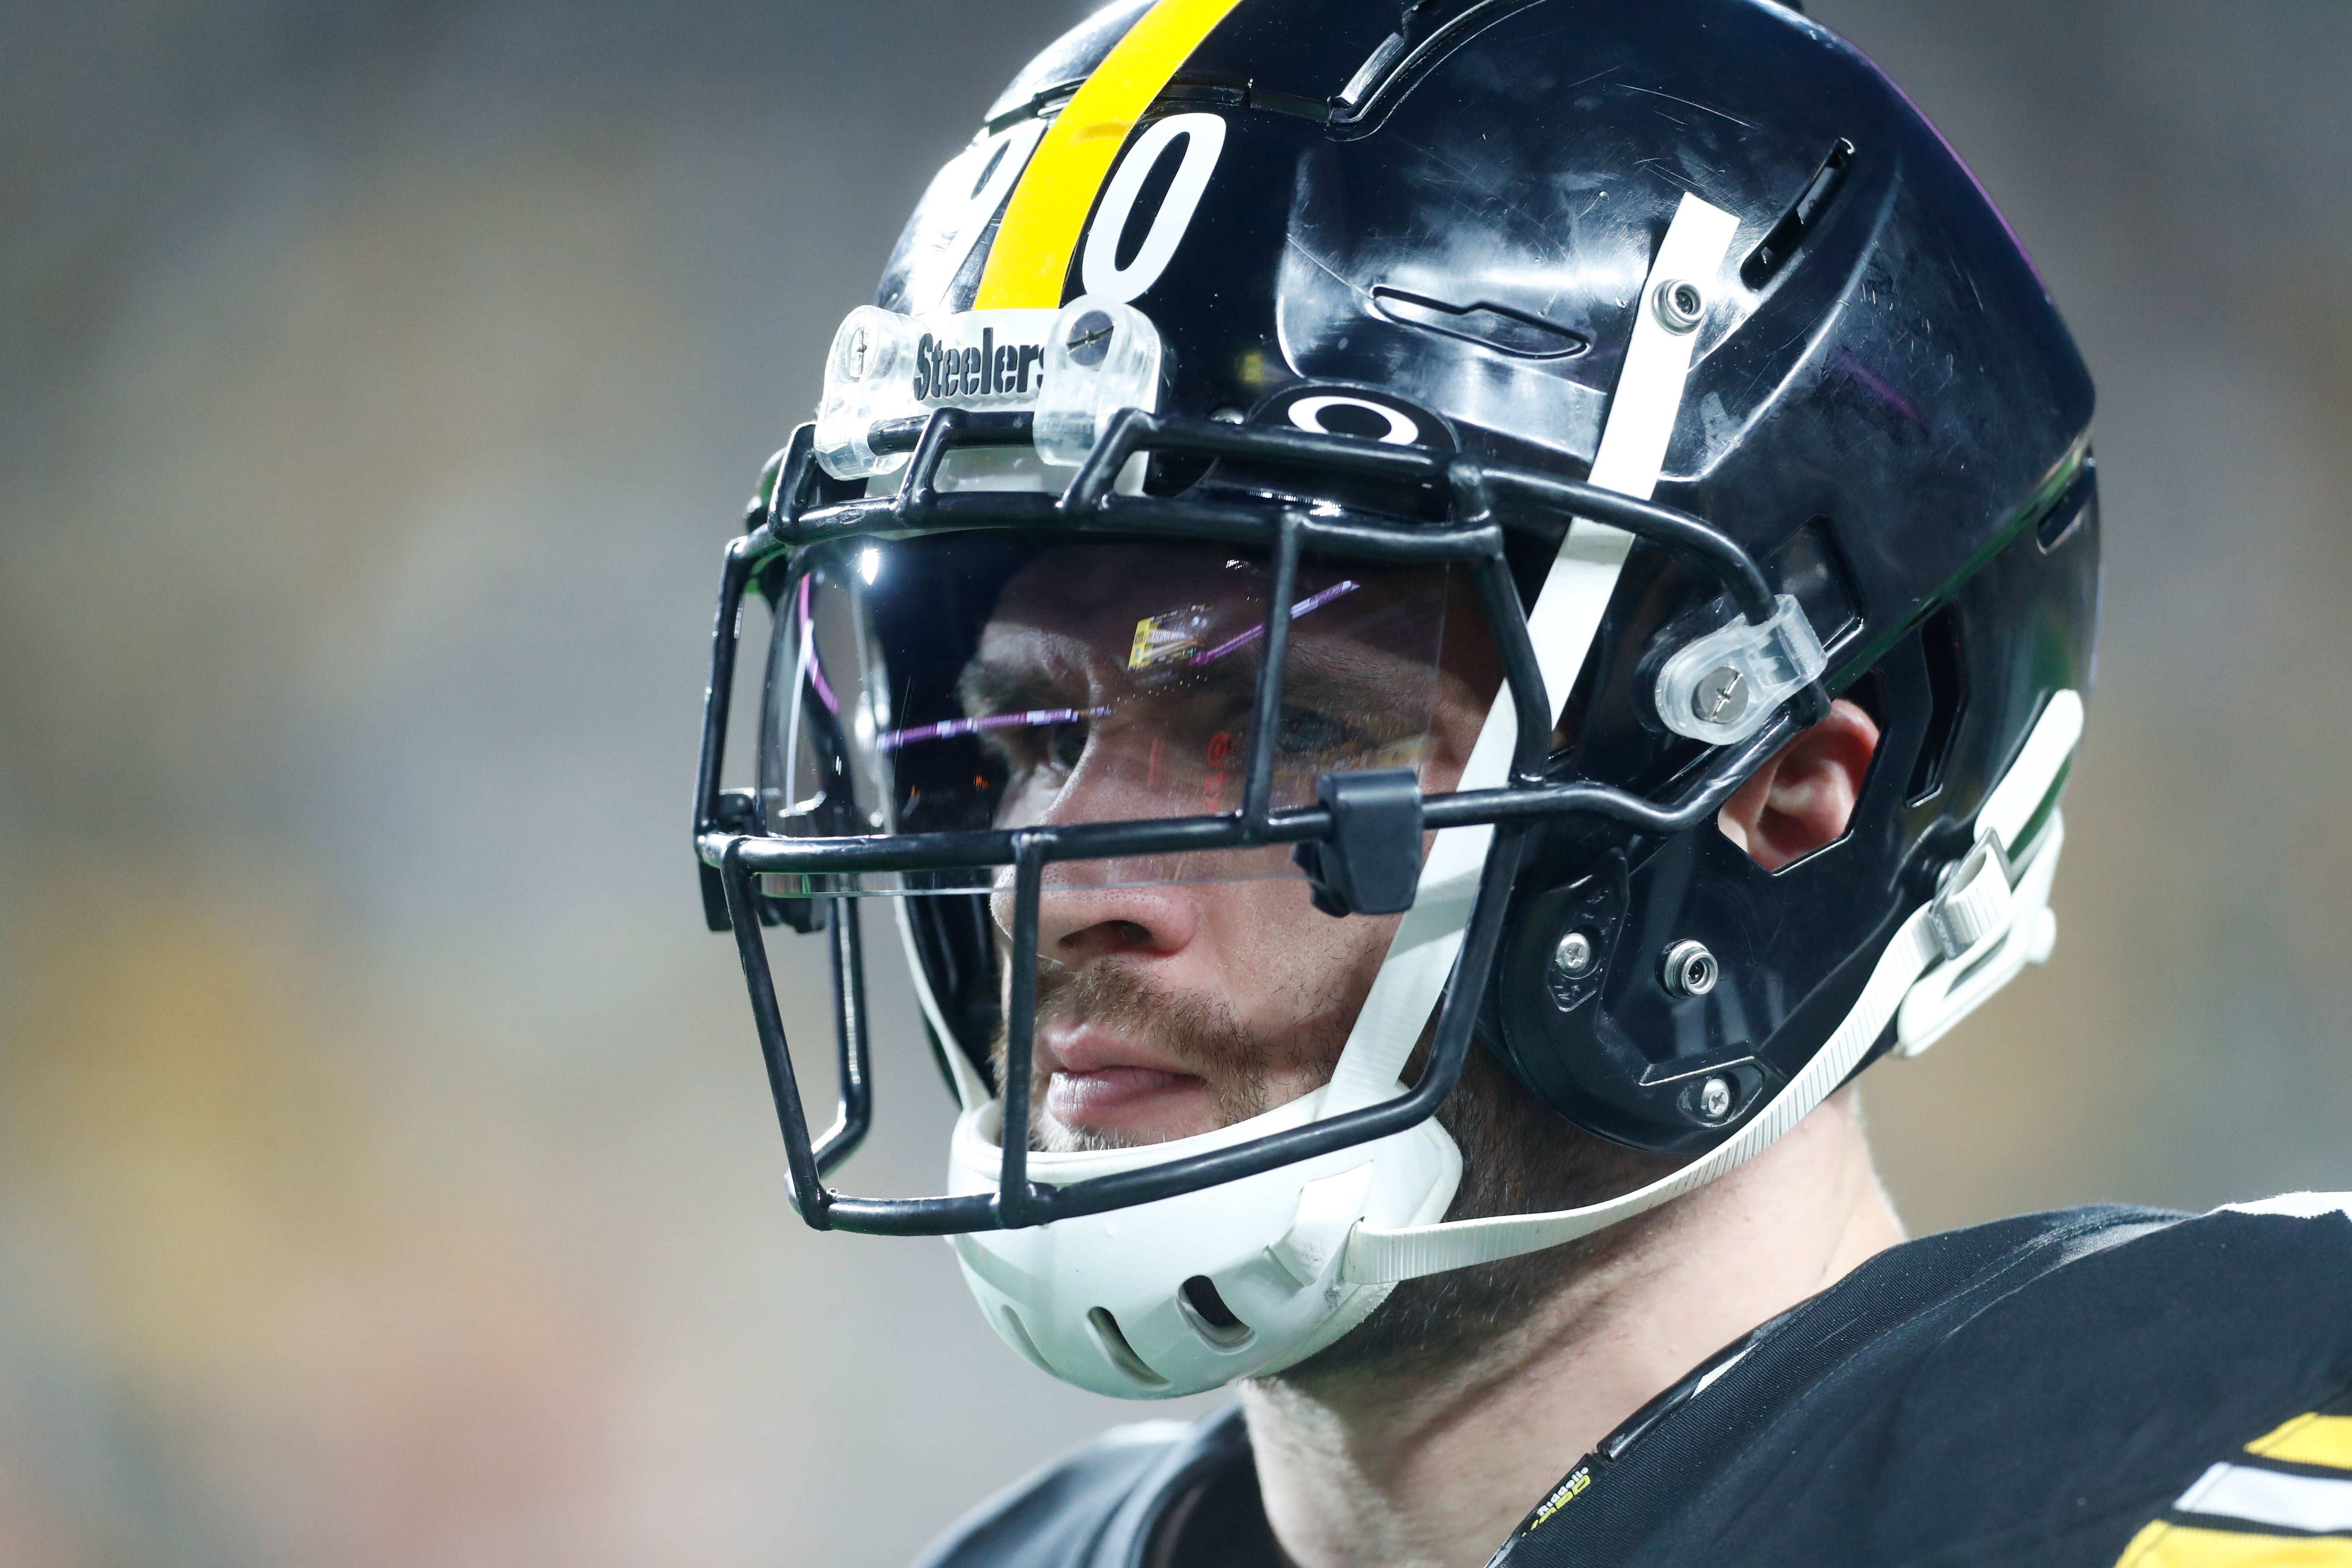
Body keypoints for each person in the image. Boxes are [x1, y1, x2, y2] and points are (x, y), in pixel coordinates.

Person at [686, 1, 2352, 1563]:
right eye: (1027, 737)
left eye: (1280, 727)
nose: (1052, 876)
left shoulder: (2186, 1467)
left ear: (1779, 796)